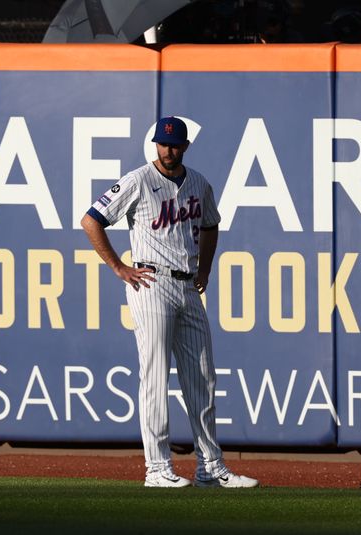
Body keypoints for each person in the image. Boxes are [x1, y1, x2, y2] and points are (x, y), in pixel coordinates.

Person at [80, 117, 259, 489]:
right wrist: (118, 266)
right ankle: (157, 469)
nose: (168, 150)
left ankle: (210, 468)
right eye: (163, 144)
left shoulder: (199, 183)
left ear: (185, 145)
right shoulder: (138, 180)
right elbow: (91, 220)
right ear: (155, 144)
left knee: (203, 377)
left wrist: (205, 270)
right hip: (150, 281)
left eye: (175, 144)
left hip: (187, 285)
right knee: (155, 374)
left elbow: (211, 225)